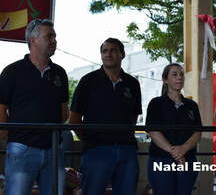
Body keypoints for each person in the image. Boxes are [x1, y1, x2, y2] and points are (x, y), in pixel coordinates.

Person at [0, 19, 69, 194]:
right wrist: (9, 132)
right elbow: (1, 107)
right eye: (49, 36)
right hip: (21, 148)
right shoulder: (12, 71)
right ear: (33, 41)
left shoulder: (59, 73)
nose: (54, 41)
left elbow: (64, 112)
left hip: (53, 148)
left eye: (54, 37)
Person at [69, 38, 142, 195]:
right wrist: (92, 140)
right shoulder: (88, 81)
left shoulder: (132, 84)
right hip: (96, 151)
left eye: (113, 50)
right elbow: (74, 120)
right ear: (101, 55)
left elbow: (133, 118)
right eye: (105, 51)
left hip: (127, 150)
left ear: (122, 54)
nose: (108, 54)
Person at [145, 63, 202, 195]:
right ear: (165, 80)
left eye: (182, 75)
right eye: (174, 74)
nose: (179, 78)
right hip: (161, 159)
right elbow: (153, 132)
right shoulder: (156, 104)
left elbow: (197, 132)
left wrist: (184, 148)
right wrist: (176, 153)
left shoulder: (191, 105)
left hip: (188, 159)